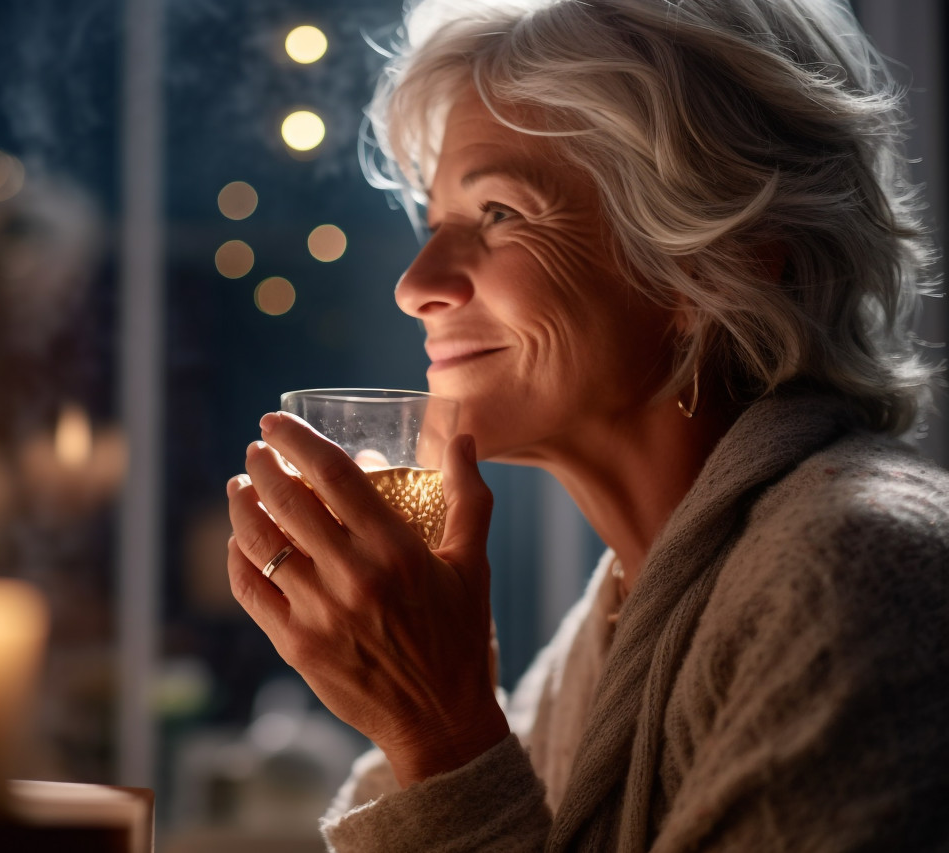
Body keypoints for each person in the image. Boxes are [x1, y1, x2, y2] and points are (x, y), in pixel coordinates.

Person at [225, 0, 949, 849]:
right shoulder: (610, 624)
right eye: (434, 224)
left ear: (714, 258)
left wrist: (441, 736)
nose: (416, 283)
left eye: (499, 213)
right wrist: (423, 700)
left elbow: (466, 794)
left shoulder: (851, 573)